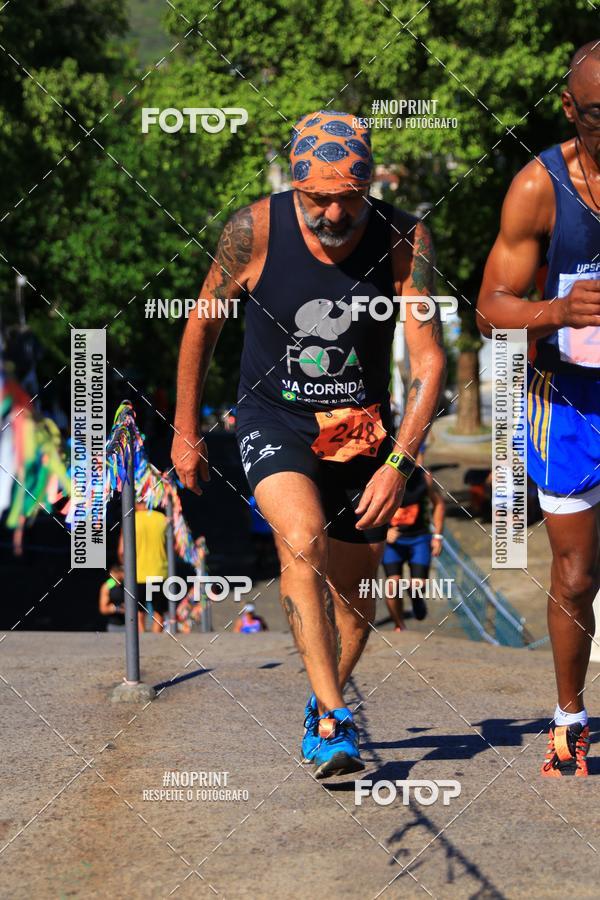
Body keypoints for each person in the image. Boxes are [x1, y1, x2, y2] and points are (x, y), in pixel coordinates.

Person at [172, 109, 446, 778]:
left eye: (346, 198)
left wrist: (399, 464)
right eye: (315, 198)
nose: (331, 213)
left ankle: (321, 700)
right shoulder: (252, 231)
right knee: (300, 540)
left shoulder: (403, 238)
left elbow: (432, 362)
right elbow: (201, 327)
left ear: (368, 185)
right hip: (276, 419)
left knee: (358, 611)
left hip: (363, 435)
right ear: (295, 188)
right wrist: (185, 432)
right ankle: (332, 718)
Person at [477, 41, 600, 777]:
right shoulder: (538, 187)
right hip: (569, 402)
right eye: (598, 117)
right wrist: (556, 309)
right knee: (577, 571)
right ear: (568, 108)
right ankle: (568, 717)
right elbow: (490, 309)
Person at [382, 446, 445, 630]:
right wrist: (384, 531)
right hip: (393, 542)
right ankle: (399, 626)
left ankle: (416, 596)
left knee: (418, 585)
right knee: (392, 585)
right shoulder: (383, 478)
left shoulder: (424, 477)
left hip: (419, 538)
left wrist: (438, 536)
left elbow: (439, 504)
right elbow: (363, 506)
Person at [119, 501, 169, 634]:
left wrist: (124, 567)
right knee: (159, 611)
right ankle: (156, 639)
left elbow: (121, 551)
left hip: (137, 573)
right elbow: (173, 545)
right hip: (160, 571)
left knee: (138, 610)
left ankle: (142, 640)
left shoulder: (130, 519)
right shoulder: (162, 518)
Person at [98, 563, 126, 632]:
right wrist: (117, 608)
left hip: (130, 624)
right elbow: (103, 609)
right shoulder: (107, 586)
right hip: (114, 625)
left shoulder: (129, 584)